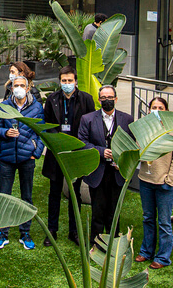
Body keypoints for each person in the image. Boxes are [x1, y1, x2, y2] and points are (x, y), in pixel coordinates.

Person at [41, 66, 94, 247]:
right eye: (64, 81)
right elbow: (47, 124)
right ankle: (52, 231)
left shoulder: (86, 99)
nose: (67, 84)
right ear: (60, 81)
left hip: (76, 153)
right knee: (54, 193)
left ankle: (74, 231)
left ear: (76, 81)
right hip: (57, 153)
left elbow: (91, 124)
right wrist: (58, 142)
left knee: (75, 193)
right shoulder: (52, 99)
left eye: (70, 81)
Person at [0, 76, 45, 250]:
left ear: (28, 88)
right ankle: (3, 233)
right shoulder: (5, 105)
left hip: (26, 159)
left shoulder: (36, 107)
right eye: (16, 85)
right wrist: (6, 132)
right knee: (4, 196)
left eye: (22, 85)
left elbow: (41, 132)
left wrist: (35, 153)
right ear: (11, 87)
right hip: (7, 158)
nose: (19, 88)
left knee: (26, 197)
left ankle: (25, 232)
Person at [78, 85, 134, 246]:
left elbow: (132, 145)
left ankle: (114, 243)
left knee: (114, 211)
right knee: (98, 211)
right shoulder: (87, 119)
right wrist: (101, 151)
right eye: (103, 98)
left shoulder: (127, 119)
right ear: (99, 100)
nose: (107, 100)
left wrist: (123, 161)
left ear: (116, 99)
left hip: (117, 173)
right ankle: (96, 244)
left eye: (110, 97)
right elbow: (82, 143)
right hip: (97, 173)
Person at [133, 97, 173, 270]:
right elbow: (137, 149)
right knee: (148, 218)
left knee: (164, 221)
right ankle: (146, 251)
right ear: (149, 111)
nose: (156, 110)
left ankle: (162, 257)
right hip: (146, 180)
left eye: (160, 107)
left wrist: (170, 179)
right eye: (153, 107)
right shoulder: (144, 129)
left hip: (165, 183)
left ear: (166, 110)